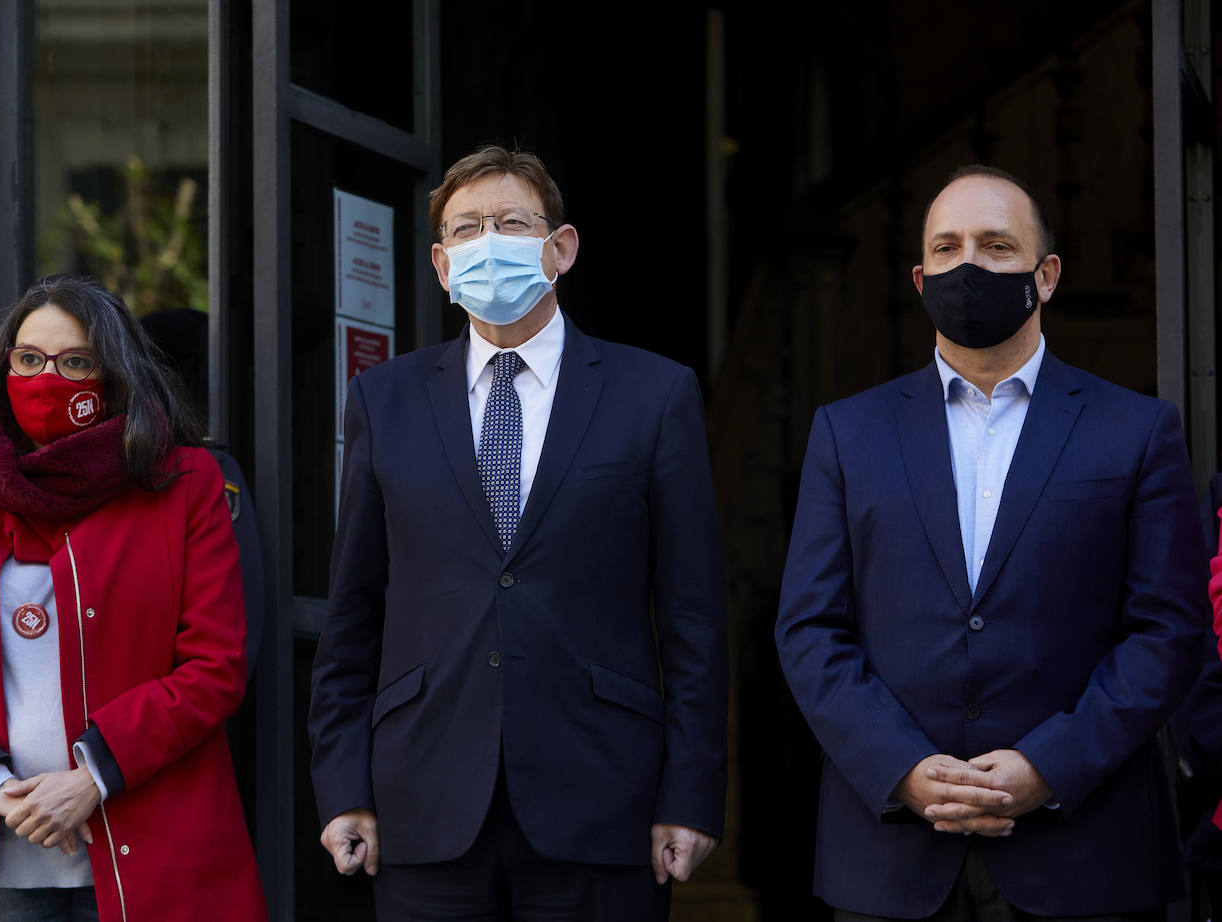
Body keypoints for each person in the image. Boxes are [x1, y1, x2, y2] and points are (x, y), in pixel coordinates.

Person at [307, 144, 729, 921]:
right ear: (440, 264)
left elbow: (694, 617)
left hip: (603, 802)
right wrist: (342, 787)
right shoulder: (383, 400)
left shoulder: (655, 395)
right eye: (466, 230)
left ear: (560, 248)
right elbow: (354, 612)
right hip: (423, 800)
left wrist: (693, 795)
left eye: (510, 222)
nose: (487, 243)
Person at [775, 166, 1206, 921]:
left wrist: (1051, 764)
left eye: (996, 246)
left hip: (1084, 852)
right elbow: (810, 629)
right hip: (892, 858)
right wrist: (900, 765)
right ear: (919, 277)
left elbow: (1167, 631)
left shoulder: (1136, 431)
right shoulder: (847, 433)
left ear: (1046, 275)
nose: (967, 265)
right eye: (947, 248)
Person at [0, 275, 268, 921]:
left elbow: (214, 664)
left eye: (74, 362)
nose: (46, 379)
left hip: (148, 847)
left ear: (112, 374)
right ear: (4, 367)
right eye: (28, 359)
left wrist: (91, 778)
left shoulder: (184, 483)